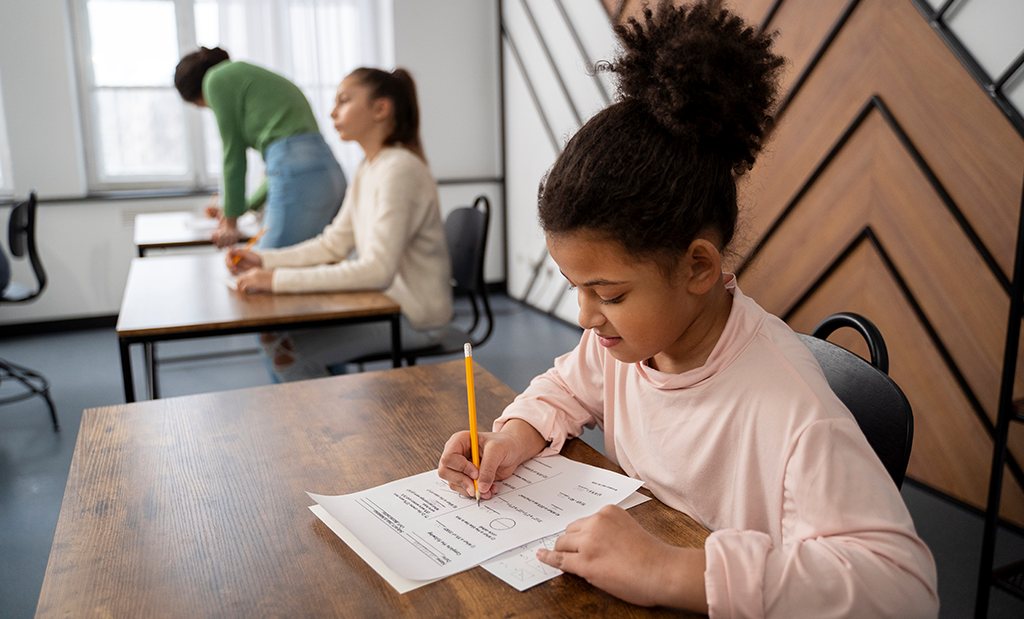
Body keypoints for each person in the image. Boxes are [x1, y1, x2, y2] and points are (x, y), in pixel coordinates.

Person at [436, 1, 939, 616]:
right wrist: (512, 436)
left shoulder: (793, 412)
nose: (586, 317)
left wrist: (672, 568)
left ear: (698, 267)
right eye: (575, 286)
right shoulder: (625, 347)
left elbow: (904, 588)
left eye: (610, 293)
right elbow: (565, 388)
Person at [225, 67, 453, 383]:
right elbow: (333, 242)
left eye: (344, 100)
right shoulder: (369, 166)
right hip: (386, 304)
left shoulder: (400, 169)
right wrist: (265, 260)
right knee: (276, 337)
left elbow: (377, 270)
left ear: (380, 108)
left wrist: (275, 279)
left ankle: (325, 428)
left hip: (415, 317)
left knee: (288, 351)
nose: (333, 111)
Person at [174, 47, 346, 249]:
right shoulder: (248, 77)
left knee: (258, 264)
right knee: (310, 266)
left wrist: (230, 223)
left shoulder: (215, 79)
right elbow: (283, 170)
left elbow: (233, 155)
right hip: (329, 174)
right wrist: (240, 208)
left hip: (299, 177)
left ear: (197, 95)